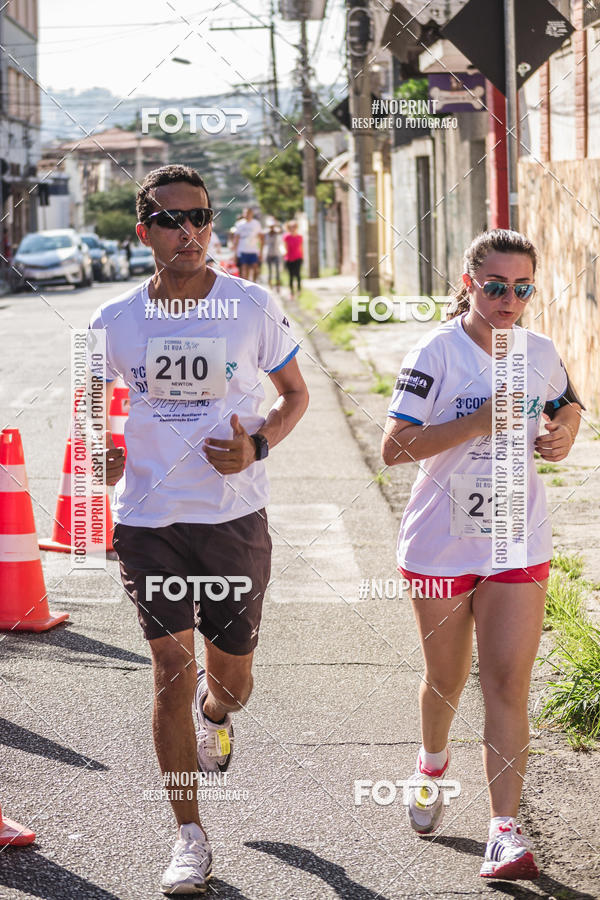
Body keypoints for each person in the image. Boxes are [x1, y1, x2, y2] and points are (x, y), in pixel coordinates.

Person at [87, 164, 309, 894]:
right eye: (172, 220)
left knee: (229, 679)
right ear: (144, 229)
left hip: (232, 517)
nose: (189, 233)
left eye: (201, 218)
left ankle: (219, 713)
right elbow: (92, 420)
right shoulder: (113, 322)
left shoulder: (251, 305)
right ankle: (189, 836)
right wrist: (105, 454)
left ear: (213, 224)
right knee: (168, 671)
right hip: (149, 520)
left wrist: (259, 444)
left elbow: (294, 395)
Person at [381, 229, 583, 881]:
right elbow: (395, 447)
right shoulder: (436, 352)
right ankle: (432, 762)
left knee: (505, 683)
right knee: (446, 678)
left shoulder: (540, 351)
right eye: (495, 286)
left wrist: (566, 429)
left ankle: (504, 830)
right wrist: (475, 422)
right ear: (468, 283)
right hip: (440, 542)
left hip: (515, 538)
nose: (509, 300)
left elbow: (566, 401)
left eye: (522, 288)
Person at [231, 207, 263, 282]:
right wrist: (235, 254)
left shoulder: (256, 223)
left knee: (255, 269)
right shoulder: (239, 224)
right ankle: (246, 287)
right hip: (242, 250)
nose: (247, 214)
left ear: (252, 214)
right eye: (245, 213)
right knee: (244, 271)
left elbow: (261, 238)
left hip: (253, 250)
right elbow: (236, 239)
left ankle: (254, 283)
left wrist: (261, 252)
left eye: (249, 213)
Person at [282, 221, 303, 299]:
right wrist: (284, 253)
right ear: (288, 228)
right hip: (289, 259)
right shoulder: (286, 237)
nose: (293, 229)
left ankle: (299, 290)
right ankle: (291, 292)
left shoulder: (300, 237)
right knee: (291, 276)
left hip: (298, 258)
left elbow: (301, 248)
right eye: (291, 227)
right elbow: (284, 247)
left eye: (294, 227)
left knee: (298, 275)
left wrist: (302, 257)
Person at [262, 217, 282, 287]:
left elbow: (280, 230)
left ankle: (278, 283)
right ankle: (270, 283)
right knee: (270, 270)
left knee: (277, 271)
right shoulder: (266, 234)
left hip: (276, 253)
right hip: (268, 254)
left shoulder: (277, 233)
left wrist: (276, 223)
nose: (271, 228)